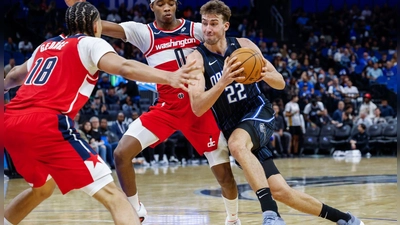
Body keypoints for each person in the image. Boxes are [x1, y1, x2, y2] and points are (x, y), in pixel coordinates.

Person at [3, 2, 199, 224]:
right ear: (96, 25)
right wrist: (169, 77)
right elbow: (125, 67)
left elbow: (13, 77)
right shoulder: (92, 44)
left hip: (11, 123)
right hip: (46, 123)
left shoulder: (46, 45)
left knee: (42, 189)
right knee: (116, 198)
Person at [186, 1, 364, 225]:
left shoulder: (245, 46)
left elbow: (279, 83)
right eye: (204, 23)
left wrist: (263, 74)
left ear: (226, 26)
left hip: (258, 110)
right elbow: (197, 107)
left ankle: (271, 214)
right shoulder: (196, 59)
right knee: (281, 191)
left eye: (214, 23)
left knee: (236, 145)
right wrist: (223, 82)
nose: (208, 29)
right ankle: (345, 219)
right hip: (233, 125)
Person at [97, 0, 240, 223]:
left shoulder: (197, 29)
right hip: (167, 107)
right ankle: (136, 211)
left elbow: (227, 42)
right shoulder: (144, 33)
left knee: (225, 177)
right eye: (161, 3)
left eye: (171, 3)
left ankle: (233, 219)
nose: (167, 8)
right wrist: (79, 9)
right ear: (152, 6)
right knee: (120, 153)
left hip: (199, 108)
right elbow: (101, 26)